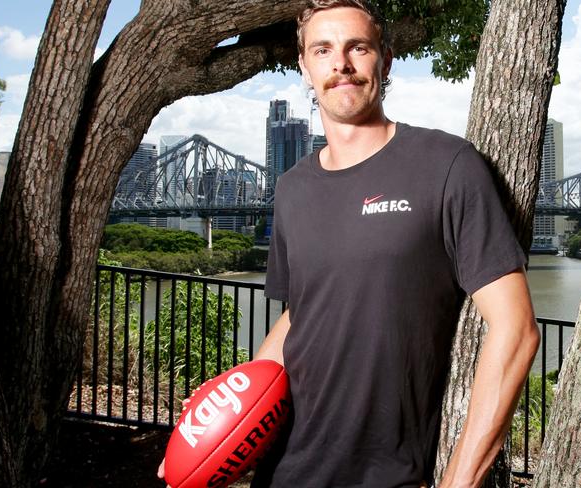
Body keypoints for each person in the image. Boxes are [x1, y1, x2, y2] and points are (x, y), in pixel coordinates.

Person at [159, 1, 540, 486]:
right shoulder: (292, 188)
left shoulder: (448, 166)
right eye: (323, 50)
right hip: (281, 471)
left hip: (385, 475)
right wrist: (216, 419)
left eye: (357, 47)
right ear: (305, 67)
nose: (340, 64)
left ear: (385, 58)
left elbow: (517, 329)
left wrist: (459, 481)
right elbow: (302, 315)